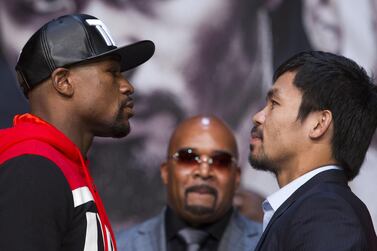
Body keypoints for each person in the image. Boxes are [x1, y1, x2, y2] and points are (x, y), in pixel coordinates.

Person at [0, 13, 154, 251]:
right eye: (112, 72)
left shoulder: (59, 164)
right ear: (63, 82)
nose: (127, 86)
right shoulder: (32, 168)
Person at [249, 51, 377, 250]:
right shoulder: (315, 207)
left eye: (274, 104)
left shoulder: (327, 214)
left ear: (318, 124)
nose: (258, 117)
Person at [119, 115, 262, 251]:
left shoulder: (271, 244)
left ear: (236, 177)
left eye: (220, 161)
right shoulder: (118, 245)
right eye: (188, 158)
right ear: (166, 172)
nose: (204, 172)